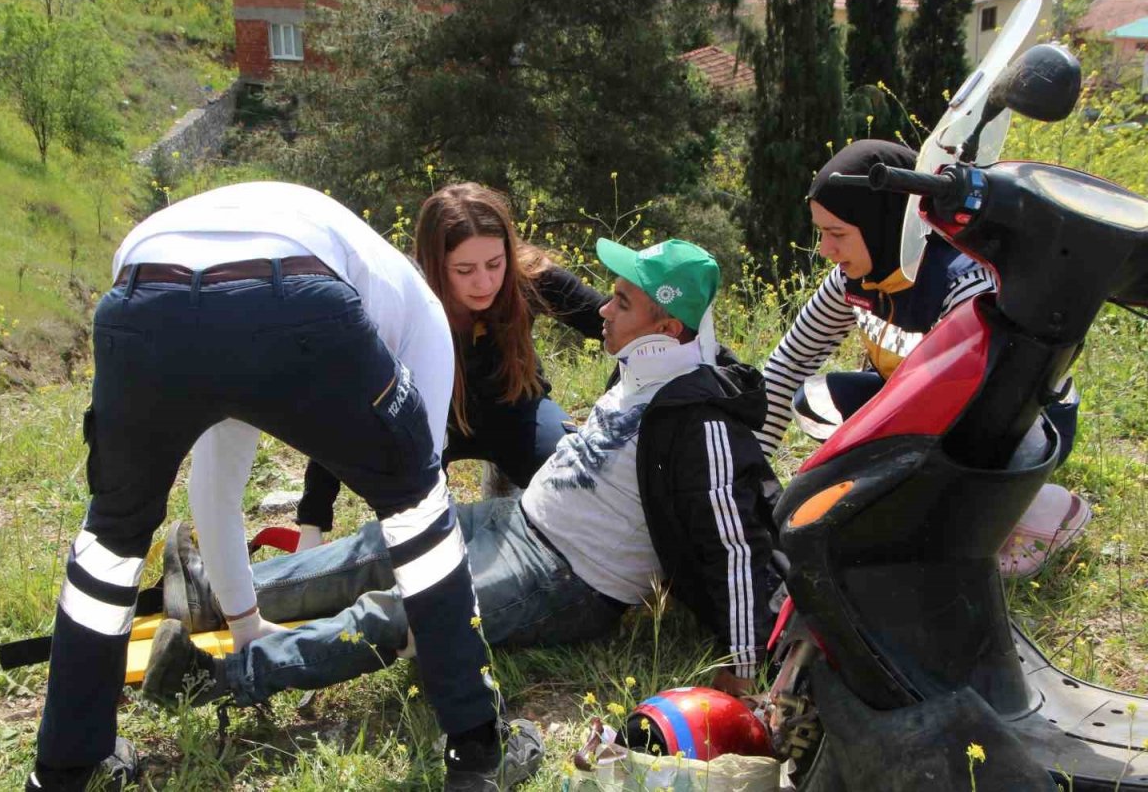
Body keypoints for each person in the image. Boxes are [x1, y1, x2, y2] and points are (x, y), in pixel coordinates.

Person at [144, 238, 784, 727]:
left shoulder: (703, 420)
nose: (605, 311)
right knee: (377, 548)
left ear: (668, 328)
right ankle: (208, 593)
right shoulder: (647, 370)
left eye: (623, 302)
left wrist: (744, 666)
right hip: (518, 523)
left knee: (406, 610)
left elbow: (735, 543)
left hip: (569, 580)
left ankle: (218, 677)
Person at [27, 182, 539, 792]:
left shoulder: (285, 247)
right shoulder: (421, 313)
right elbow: (422, 511)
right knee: (418, 507)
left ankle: (67, 767)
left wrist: (246, 623)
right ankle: (480, 749)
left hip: (141, 291)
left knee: (111, 538)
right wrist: (425, 627)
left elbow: (215, 485)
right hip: (293, 290)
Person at [758, 140, 1086, 577]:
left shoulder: (963, 280)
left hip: (1020, 420)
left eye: (837, 234)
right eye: (822, 233)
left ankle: (1044, 510)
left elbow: (993, 400)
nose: (825, 250)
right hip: (932, 410)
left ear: (884, 224)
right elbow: (788, 364)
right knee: (816, 400)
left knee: (921, 530)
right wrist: (750, 474)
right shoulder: (854, 278)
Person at [293, 182, 607, 549]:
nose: (484, 281)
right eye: (464, 269)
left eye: (494, 263)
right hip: (428, 426)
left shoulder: (530, 277)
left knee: (578, 484)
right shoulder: (403, 295)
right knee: (419, 532)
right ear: (434, 264)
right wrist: (313, 520)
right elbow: (349, 398)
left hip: (517, 410)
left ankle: (507, 472)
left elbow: (616, 326)